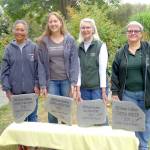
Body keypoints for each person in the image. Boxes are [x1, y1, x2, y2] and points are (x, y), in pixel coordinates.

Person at [111, 21, 150, 150]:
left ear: (141, 34)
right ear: (127, 34)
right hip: (128, 95)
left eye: (136, 31)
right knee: (130, 124)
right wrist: (115, 93)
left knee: (145, 123)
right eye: (130, 31)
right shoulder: (120, 52)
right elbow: (115, 74)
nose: (133, 33)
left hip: (146, 94)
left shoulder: (148, 49)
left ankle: (143, 147)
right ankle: (131, 146)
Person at [1, 20, 39, 150]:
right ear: (13, 31)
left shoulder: (33, 47)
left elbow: (38, 68)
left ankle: (32, 143)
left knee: (32, 118)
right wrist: (7, 88)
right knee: (20, 119)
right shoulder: (8, 49)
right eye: (17, 29)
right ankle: (22, 144)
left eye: (22, 30)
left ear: (26, 32)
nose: (19, 32)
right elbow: (4, 71)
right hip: (16, 92)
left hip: (31, 91)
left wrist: (37, 84)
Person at [37, 12, 79, 123]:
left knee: (66, 112)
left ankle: (65, 138)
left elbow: (74, 62)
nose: (53, 23)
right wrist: (42, 85)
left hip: (67, 81)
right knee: (52, 113)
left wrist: (74, 83)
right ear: (48, 24)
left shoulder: (70, 40)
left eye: (55, 21)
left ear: (60, 23)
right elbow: (40, 65)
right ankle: (53, 139)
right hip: (51, 82)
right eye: (50, 21)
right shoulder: (43, 42)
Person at [77, 18, 108, 103]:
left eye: (88, 27)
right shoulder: (79, 47)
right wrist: (78, 90)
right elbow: (78, 70)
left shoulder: (101, 46)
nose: (85, 30)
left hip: (97, 89)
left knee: (100, 115)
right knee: (86, 115)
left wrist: (104, 91)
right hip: (84, 89)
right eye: (83, 28)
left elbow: (102, 70)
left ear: (93, 29)